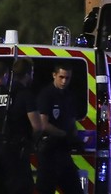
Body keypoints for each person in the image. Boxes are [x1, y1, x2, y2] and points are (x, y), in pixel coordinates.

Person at [0, 58, 41, 194]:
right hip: (15, 153)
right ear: (28, 74)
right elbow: (38, 127)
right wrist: (32, 142)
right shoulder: (25, 94)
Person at [36, 62, 83, 194]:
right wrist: (64, 134)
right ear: (54, 75)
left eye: (67, 78)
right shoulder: (46, 94)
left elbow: (72, 121)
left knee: (75, 189)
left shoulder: (69, 96)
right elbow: (43, 124)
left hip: (63, 151)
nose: (64, 81)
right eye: (61, 77)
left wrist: (74, 137)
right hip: (49, 152)